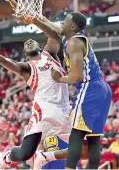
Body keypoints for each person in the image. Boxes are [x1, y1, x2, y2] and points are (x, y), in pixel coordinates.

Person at [0, 29, 71, 170]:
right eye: (25, 43)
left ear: (41, 47)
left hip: (64, 111)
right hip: (43, 112)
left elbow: (55, 35)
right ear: (25, 55)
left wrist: (36, 19)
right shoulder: (26, 69)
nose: (29, 41)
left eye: (32, 40)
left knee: (83, 150)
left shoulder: (50, 54)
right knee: (24, 154)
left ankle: (44, 157)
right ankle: (7, 158)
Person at [29, 11, 112, 169]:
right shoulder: (73, 38)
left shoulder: (74, 42)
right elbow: (54, 29)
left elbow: (76, 77)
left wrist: (59, 78)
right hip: (102, 89)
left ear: (72, 26)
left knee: (76, 136)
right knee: (93, 140)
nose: (62, 22)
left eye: (65, 20)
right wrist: (35, 19)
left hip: (90, 87)